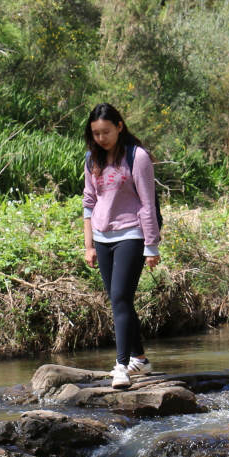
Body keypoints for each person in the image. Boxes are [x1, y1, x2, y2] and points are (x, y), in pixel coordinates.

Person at [82, 103, 161, 389]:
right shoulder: (92, 159)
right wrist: (89, 245)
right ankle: (140, 357)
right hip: (102, 237)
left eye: (106, 131)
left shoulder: (137, 157)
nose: (102, 138)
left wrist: (151, 245)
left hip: (131, 234)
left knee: (118, 298)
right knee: (121, 300)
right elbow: (89, 202)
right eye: (96, 133)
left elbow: (147, 203)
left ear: (119, 126)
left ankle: (121, 366)